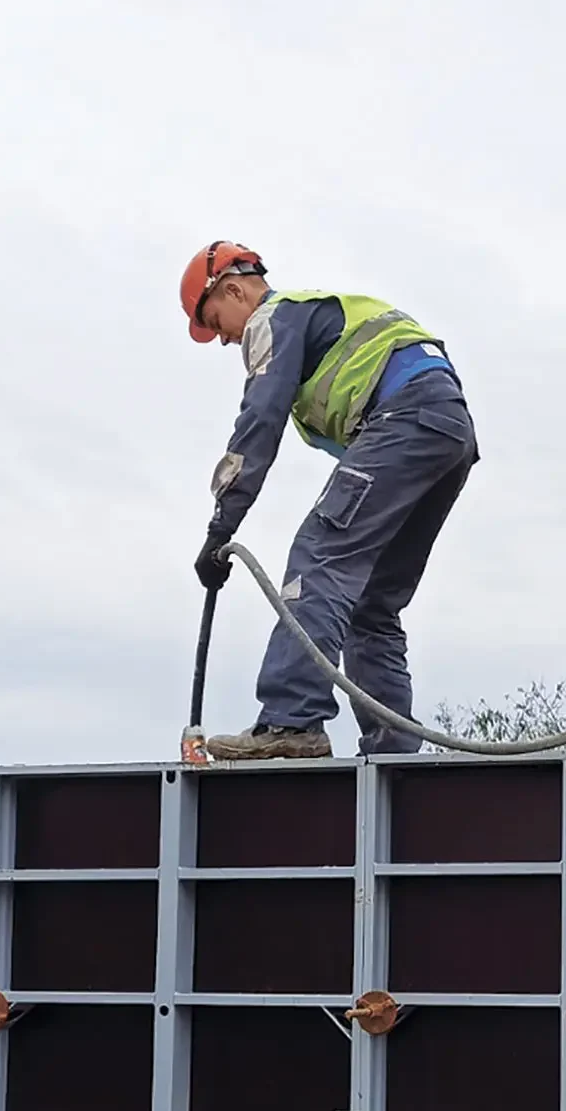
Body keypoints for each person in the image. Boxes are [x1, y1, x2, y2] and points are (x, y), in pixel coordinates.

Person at [180, 241, 478, 760]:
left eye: (216, 321)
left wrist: (220, 529)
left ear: (233, 290)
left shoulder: (273, 319)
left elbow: (257, 427)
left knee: (319, 555)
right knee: (370, 604)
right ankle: (393, 754)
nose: (224, 339)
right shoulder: (314, 326)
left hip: (407, 418)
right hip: (446, 431)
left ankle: (291, 720)